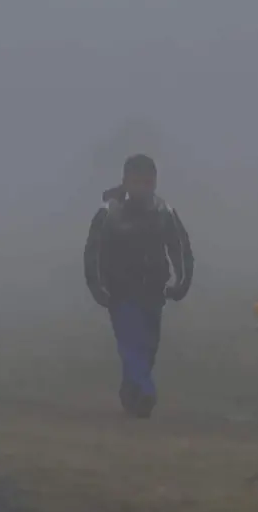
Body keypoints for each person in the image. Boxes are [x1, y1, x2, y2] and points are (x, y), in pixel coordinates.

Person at [83, 153, 194, 418]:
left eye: (148, 182)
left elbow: (180, 248)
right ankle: (146, 392)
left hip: (154, 291)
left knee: (148, 347)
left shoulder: (163, 211)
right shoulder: (109, 211)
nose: (143, 187)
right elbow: (93, 252)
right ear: (125, 181)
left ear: (154, 182)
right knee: (131, 342)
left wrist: (181, 282)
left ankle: (132, 393)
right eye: (137, 182)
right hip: (121, 292)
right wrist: (97, 287)